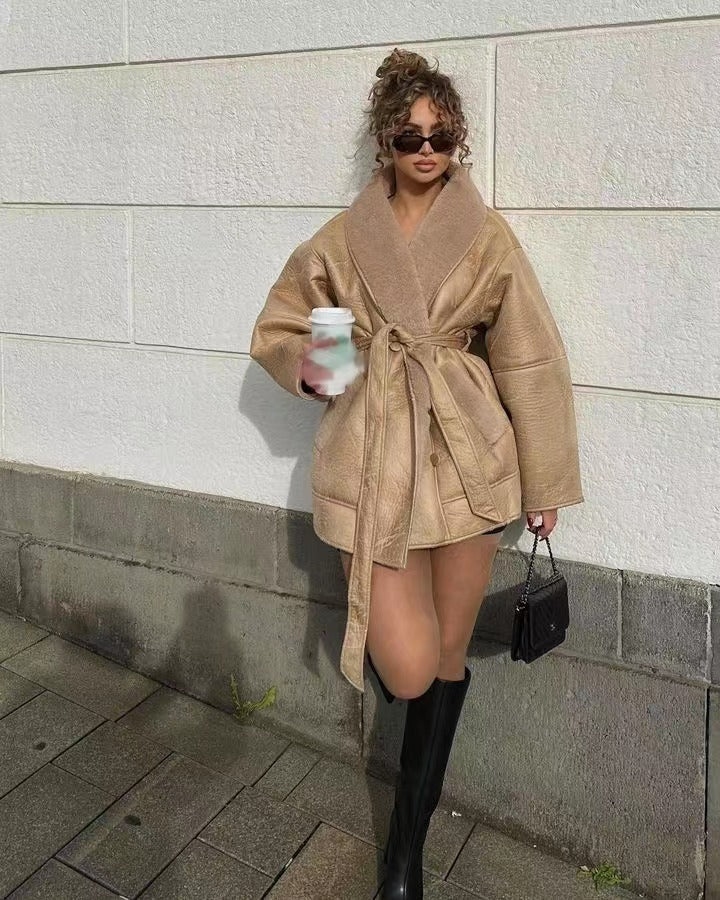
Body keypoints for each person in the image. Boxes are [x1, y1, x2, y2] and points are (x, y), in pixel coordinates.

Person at [250, 47, 584, 900]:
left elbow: (530, 355)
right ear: (385, 143)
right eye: (409, 137)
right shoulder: (341, 239)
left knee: (443, 655)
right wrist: (330, 364)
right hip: (380, 464)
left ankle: (404, 857)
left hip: (469, 460)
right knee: (407, 666)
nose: (426, 150)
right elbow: (285, 326)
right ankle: (409, 817)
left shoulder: (486, 234)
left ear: (457, 140)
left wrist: (544, 483)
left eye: (440, 136)